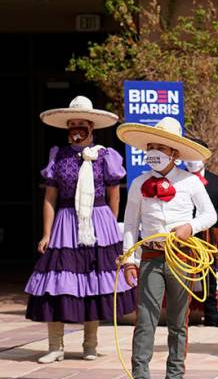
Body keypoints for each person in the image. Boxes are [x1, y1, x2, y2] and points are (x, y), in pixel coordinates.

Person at [25, 96, 137, 363]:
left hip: (97, 222)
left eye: (81, 123)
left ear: (91, 127)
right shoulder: (58, 156)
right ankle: (55, 345)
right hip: (65, 222)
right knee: (58, 283)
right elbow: (50, 197)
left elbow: (115, 195)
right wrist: (46, 232)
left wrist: (109, 225)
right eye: (71, 123)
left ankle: (90, 344)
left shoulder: (105, 157)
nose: (75, 128)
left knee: (94, 283)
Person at [118, 117, 217, 379]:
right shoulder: (138, 183)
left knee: (178, 321)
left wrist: (189, 227)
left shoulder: (190, 182)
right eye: (151, 147)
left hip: (181, 255)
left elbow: (210, 214)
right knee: (145, 320)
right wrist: (129, 260)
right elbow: (130, 224)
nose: (154, 152)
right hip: (149, 255)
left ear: (174, 153)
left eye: (160, 147)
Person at [184, 141, 218, 327]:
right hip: (185, 234)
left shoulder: (216, 181)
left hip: (208, 235)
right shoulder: (179, 180)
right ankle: (182, 316)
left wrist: (210, 219)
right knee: (182, 275)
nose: (193, 160)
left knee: (209, 275)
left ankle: (211, 315)